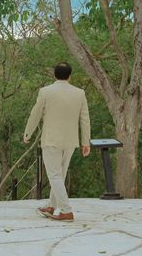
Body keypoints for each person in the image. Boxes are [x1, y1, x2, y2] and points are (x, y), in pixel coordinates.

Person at [23, 62, 91, 222]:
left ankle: (66, 211)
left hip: (51, 139)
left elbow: (35, 114)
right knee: (59, 174)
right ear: (70, 75)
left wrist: (28, 133)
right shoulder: (79, 93)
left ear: (54, 74)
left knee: (54, 175)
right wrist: (86, 141)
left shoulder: (46, 91)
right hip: (71, 140)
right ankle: (52, 206)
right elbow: (85, 119)